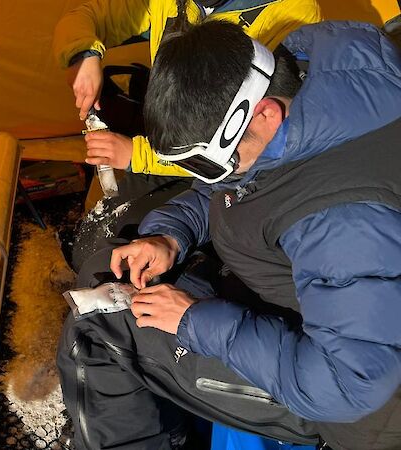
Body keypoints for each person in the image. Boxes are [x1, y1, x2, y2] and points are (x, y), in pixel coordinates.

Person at [57, 19, 401, 450]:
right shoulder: (312, 78)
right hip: (301, 305)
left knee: (99, 330)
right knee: (116, 274)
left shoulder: (341, 222)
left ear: (265, 113)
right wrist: (171, 235)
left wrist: (192, 320)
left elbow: (349, 384)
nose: (207, 178)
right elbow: (239, 184)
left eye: (209, 164)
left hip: (353, 404)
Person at [54, 0, 322, 272]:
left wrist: (138, 155)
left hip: (219, 168)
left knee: (122, 242)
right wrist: (84, 55)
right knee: (92, 239)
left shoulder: (288, 11)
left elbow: (249, 147)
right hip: (167, 143)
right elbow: (86, 14)